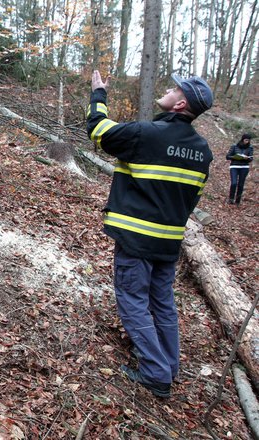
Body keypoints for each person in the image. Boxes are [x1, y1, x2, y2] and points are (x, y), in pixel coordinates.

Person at [87, 71, 214, 398]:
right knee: (162, 302)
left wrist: (98, 95)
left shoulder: (148, 135)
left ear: (180, 103)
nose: (167, 90)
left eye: (173, 89)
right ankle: (169, 365)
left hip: (135, 240)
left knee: (133, 302)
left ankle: (156, 373)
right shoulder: (202, 151)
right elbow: (193, 199)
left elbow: (99, 130)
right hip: (169, 242)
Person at [225, 133, 253, 204]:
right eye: (246, 140)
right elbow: (228, 156)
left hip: (244, 167)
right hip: (234, 166)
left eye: (248, 140)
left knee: (241, 184)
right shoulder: (234, 146)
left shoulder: (250, 147)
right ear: (243, 139)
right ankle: (231, 199)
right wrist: (235, 157)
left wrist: (247, 158)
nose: (247, 142)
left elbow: (251, 158)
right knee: (234, 183)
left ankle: (237, 201)